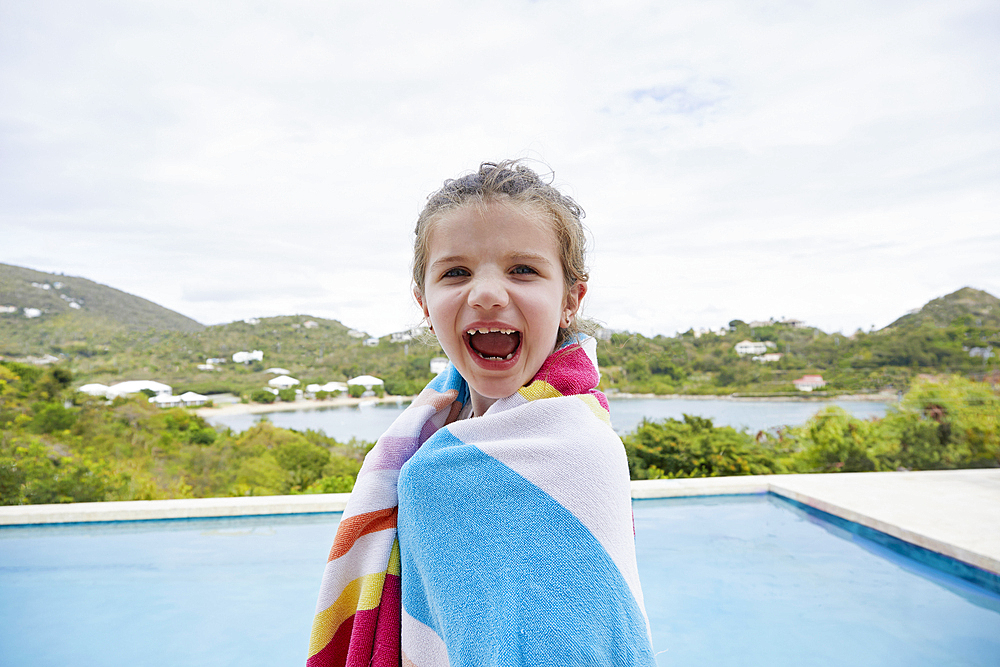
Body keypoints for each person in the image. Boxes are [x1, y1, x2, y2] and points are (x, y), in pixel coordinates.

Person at [307, 161, 655, 667]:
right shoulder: (421, 435)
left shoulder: (582, 449)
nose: (487, 294)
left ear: (570, 300)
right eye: (456, 272)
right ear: (424, 303)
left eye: (523, 270)